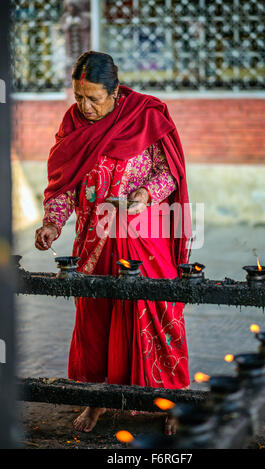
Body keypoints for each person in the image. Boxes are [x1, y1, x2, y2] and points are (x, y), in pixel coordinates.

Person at [35, 51, 193, 435]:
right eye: (79, 97)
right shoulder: (72, 124)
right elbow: (64, 184)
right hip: (95, 239)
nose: (85, 107)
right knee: (95, 316)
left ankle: (170, 401)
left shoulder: (145, 115)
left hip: (146, 237)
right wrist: (52, 224)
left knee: (157, 312)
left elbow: (167, 172)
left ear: (116, 91)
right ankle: (97, 401)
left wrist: (142, 196)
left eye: (94, 98)